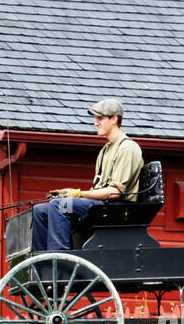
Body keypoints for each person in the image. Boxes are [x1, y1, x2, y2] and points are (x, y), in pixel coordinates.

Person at [31, 98, 144, 252]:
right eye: (95, 118)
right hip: (100, 205)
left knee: (59, 206)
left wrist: (77, 194)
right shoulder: (105, 151)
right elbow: (97, 189)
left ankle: (58, 259)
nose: (95, 123)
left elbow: (115, 192)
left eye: (100, 118)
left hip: (115, 208)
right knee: (40, 211)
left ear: (114, 119)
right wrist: (69, 194)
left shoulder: (128, 148)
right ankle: (40, 262)